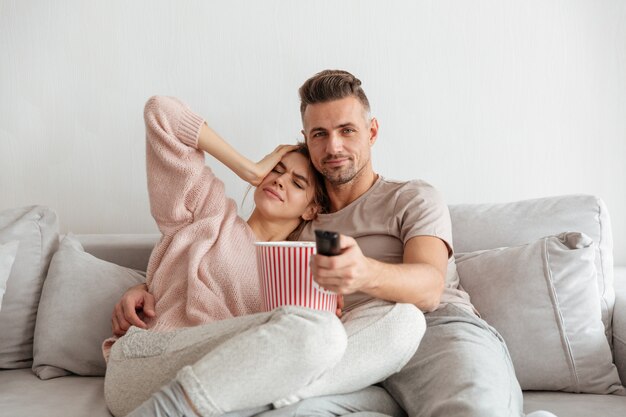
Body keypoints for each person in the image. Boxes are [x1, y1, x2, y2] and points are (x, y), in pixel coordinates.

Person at [115, 72, 557, 417]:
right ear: (306, 137)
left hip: (421, 332)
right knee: (313, 346)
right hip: (331, 350)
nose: (334, 145)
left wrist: (362, 272)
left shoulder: (410, 197)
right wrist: (150, 281)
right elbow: (165, 119)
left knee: (408, 328)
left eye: (347, 130)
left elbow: (427, 288)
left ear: (372, 131)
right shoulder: (270, 234)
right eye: (319, 135)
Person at [103, 95, 425, 417]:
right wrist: (250, 168)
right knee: (319, 332)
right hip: (150, 362)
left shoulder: (305, 270)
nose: (280, 181)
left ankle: (267, 402)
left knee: (406, 320)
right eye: (276, 170)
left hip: (229, 385)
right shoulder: (206, 213)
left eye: (297, 183)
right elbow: (162, 113)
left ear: (312, 209)